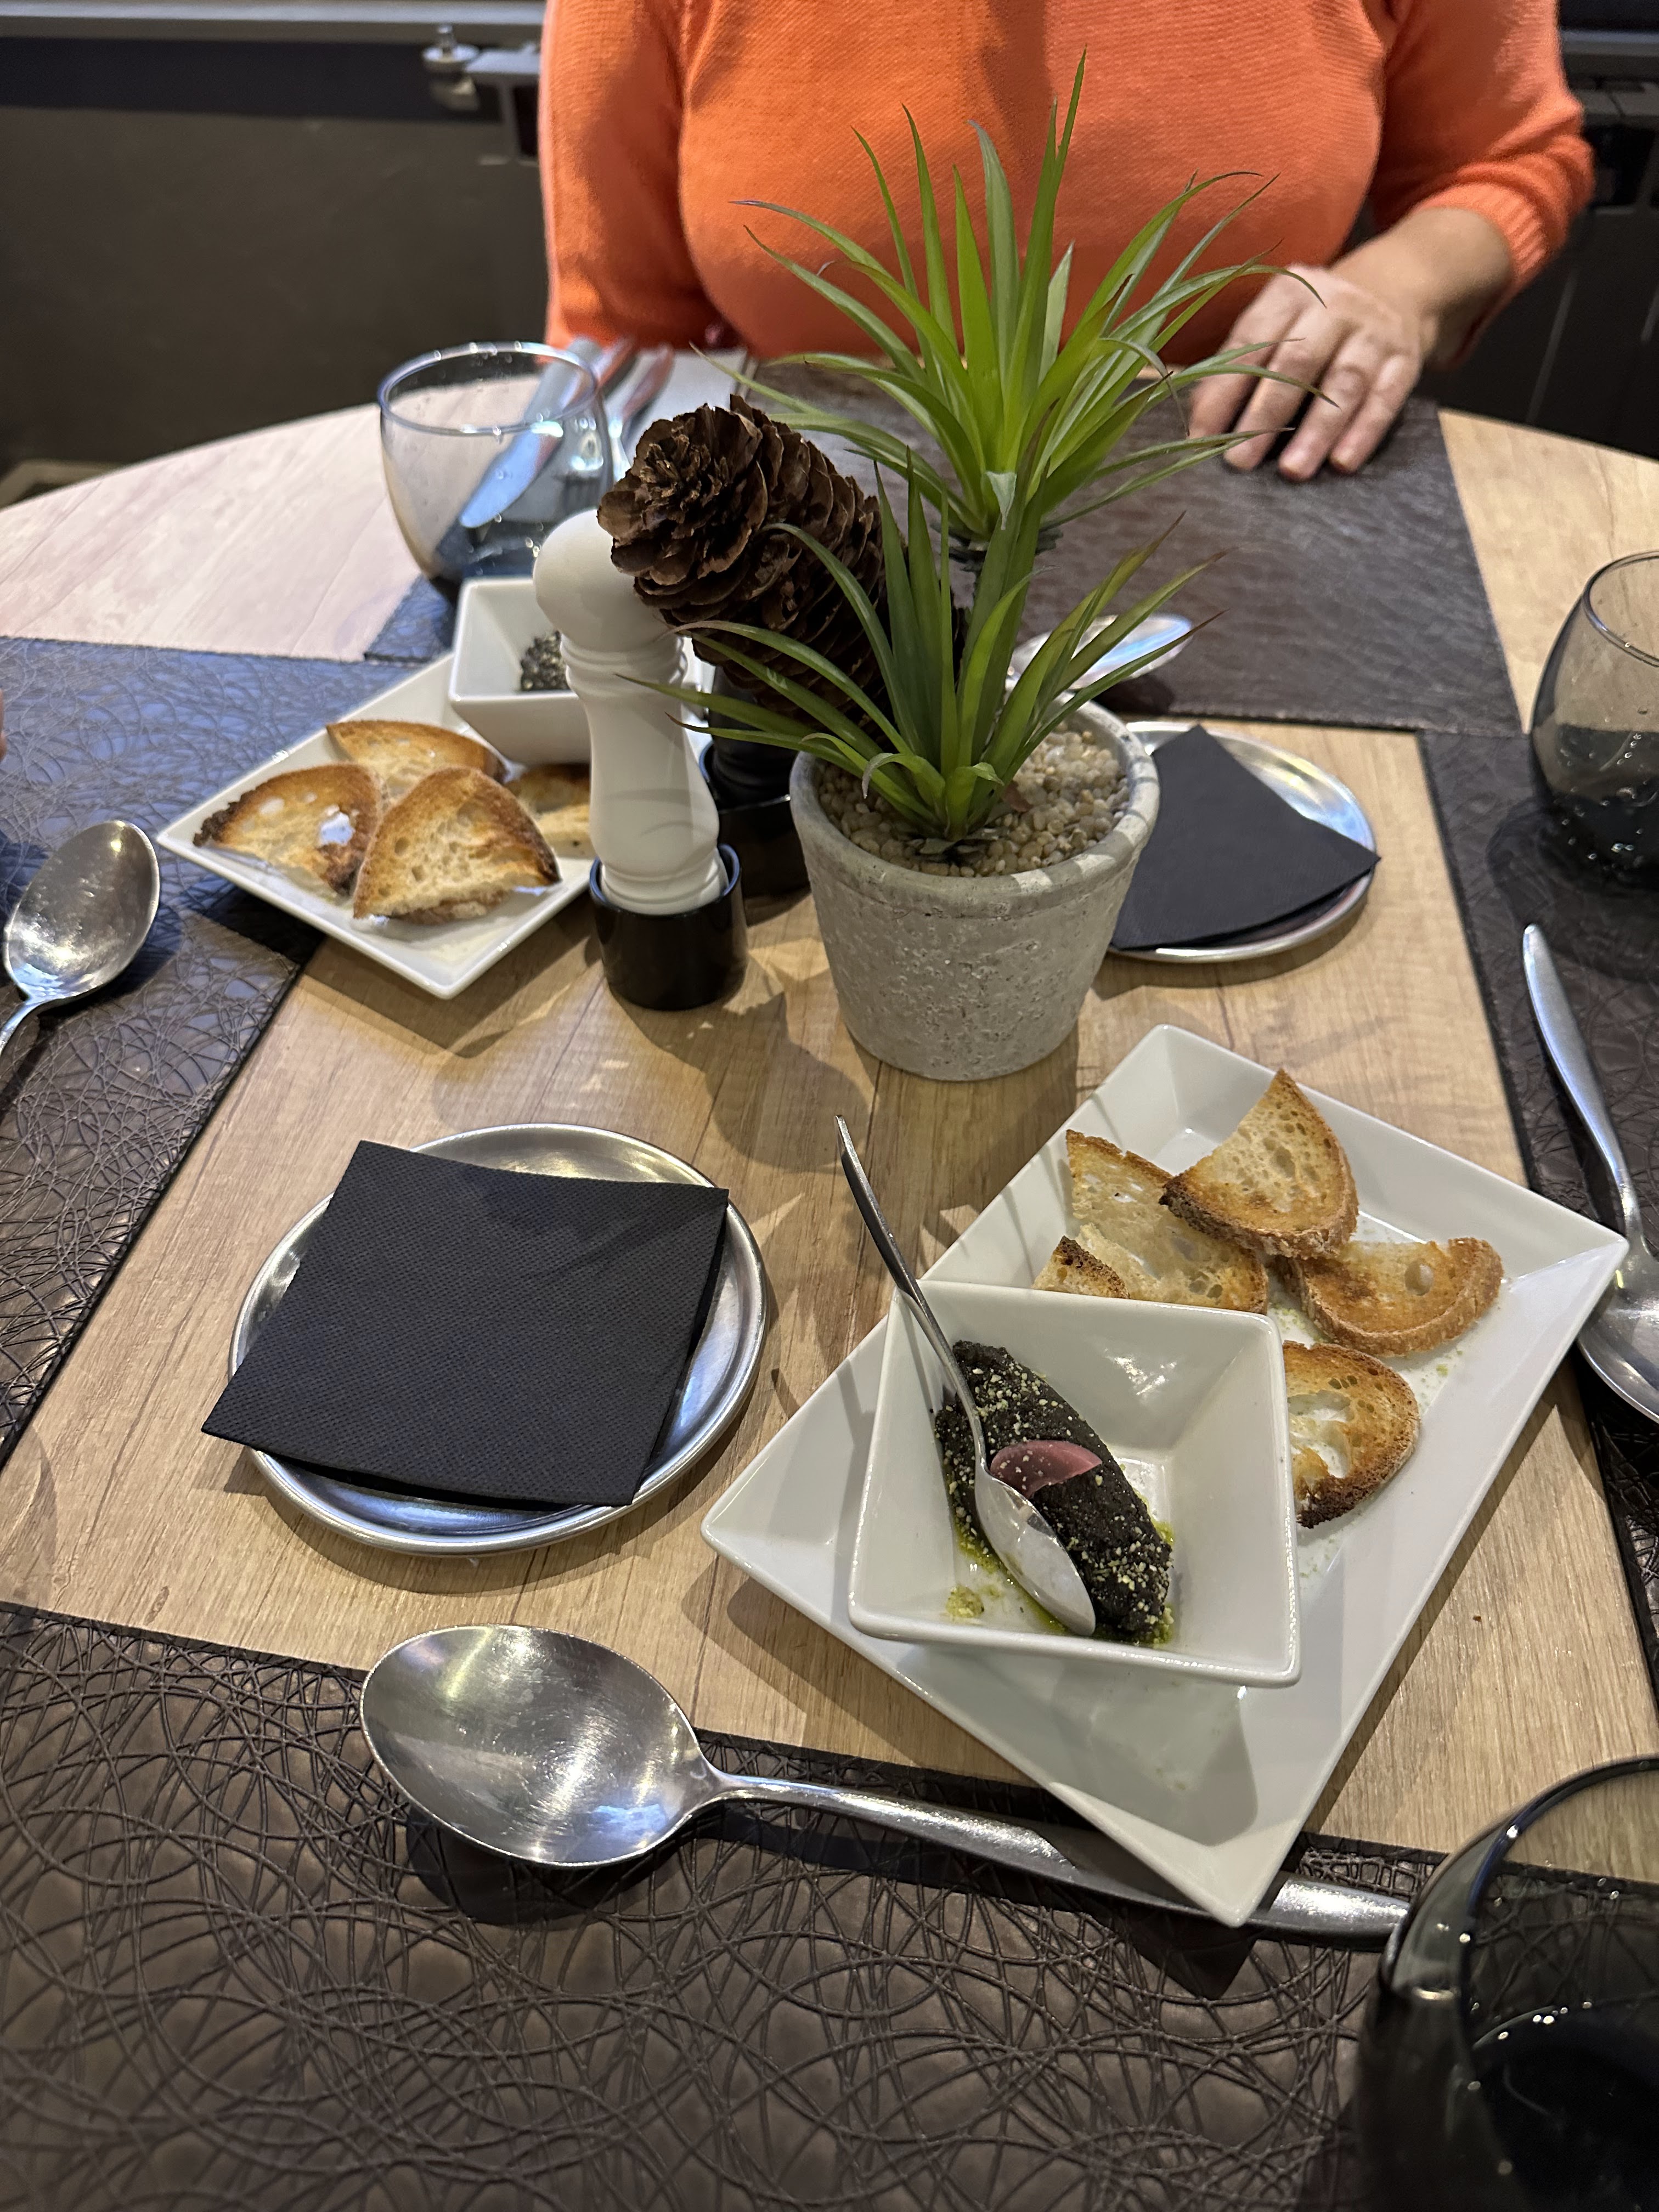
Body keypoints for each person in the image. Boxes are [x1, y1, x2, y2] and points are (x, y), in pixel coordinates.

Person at [539, 1, 1590, 480]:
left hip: (1233, 496)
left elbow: (1511, 158)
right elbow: (619, 343)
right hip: (808, 522)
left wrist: (1397, 287)